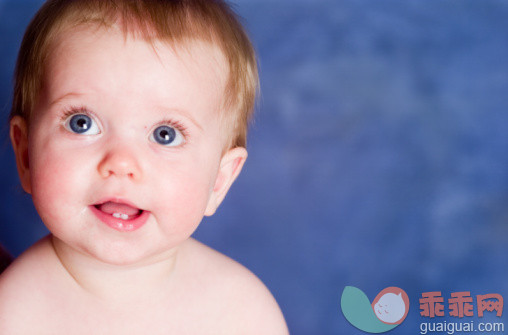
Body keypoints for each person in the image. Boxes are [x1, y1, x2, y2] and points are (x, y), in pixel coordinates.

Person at [0, 1, 288, 333]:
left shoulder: (242, 312)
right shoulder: (15, 312)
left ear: (219, 181)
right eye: (82, 123)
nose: (121, 162)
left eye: (165, 135)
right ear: (24, 155)